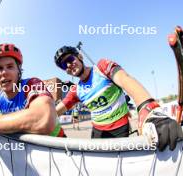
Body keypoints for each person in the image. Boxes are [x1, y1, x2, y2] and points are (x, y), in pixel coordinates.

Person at [54, 45, 183, 151]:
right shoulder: (75, 90)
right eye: (64, 65)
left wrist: (148, 109)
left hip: (119, 129)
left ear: (80, 56)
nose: (69, 65)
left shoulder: (102, 67)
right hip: (97, 131)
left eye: (70, 60)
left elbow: (125, 80)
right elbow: (55, 111)